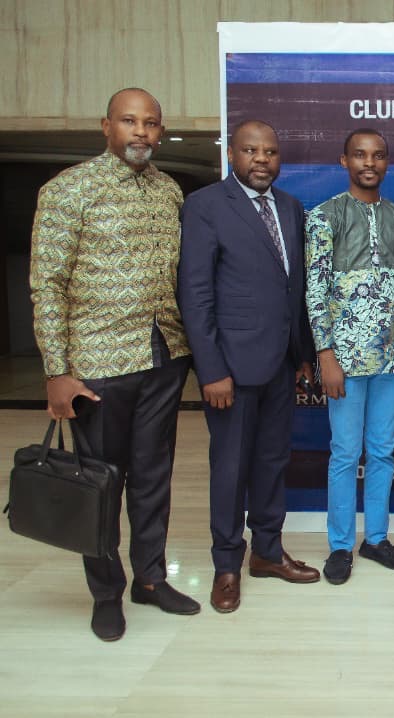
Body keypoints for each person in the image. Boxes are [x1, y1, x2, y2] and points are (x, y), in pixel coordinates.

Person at [29, 87, 199, 641]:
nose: (141, 132)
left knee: (152, 478)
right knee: (101, 482)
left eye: (150, 122)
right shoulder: (69, 189)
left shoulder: (169, 191)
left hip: (163, 356)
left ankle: (150, 578)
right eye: (129, 121)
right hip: (97, 365)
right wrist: (57, 371)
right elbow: (48, 285)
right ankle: (106, 593)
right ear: (107, 126)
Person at [179, 120, 319, 613]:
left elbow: (293, 288)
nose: (262, 159)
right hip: (230, 370)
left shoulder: (290, 207)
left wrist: (301, 354)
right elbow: (195, 294)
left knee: (272, 462)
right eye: (250, 150)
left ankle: (267, 552)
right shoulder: (206, 206)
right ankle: (226, 566)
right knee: (230, 468)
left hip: (281, 363)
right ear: (231, 155)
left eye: (270, 152)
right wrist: (211, 369)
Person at [305, 129, 394, 584]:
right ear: (344, 160)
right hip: (344, 360)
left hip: (391, 359)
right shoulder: (324, 217)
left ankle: (377, 538)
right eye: (360, 155)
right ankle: (340, 545)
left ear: (387, 162)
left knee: (383, 452)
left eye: (378, 155)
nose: (369, 163)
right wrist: (325, 354)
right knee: (346, 453)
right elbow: (314, 291)